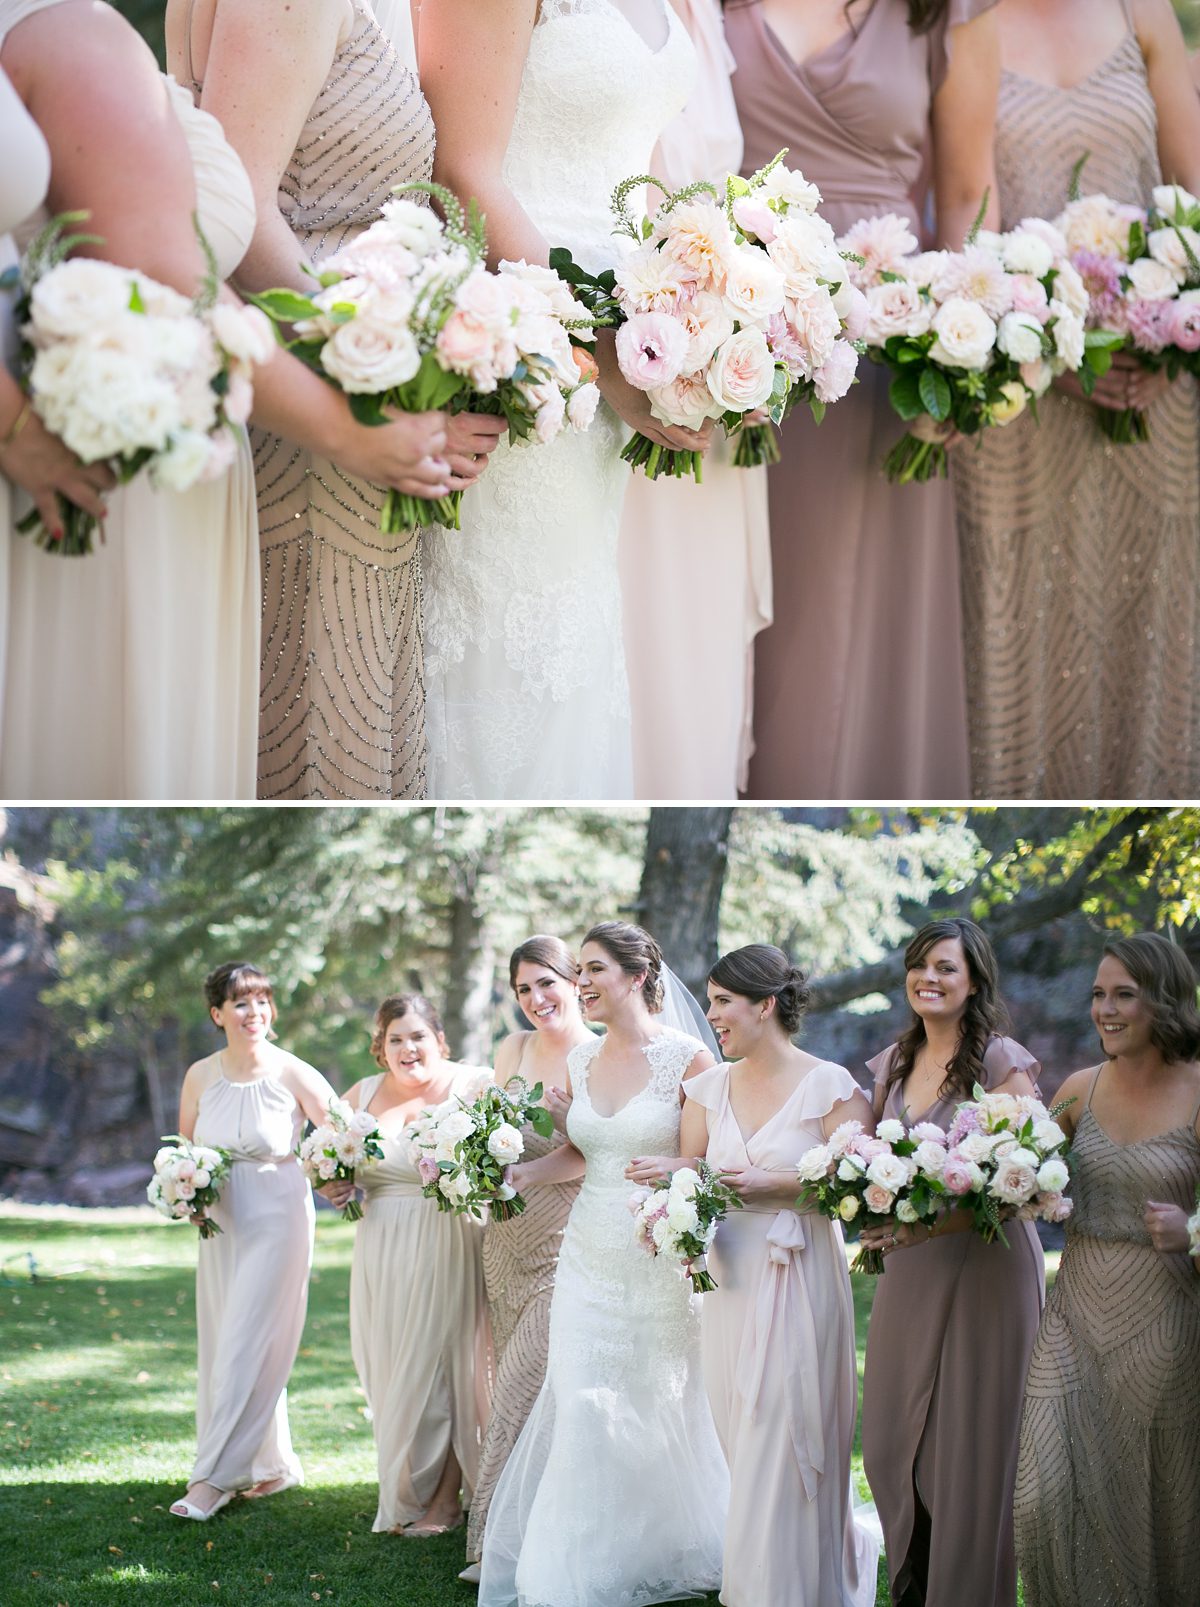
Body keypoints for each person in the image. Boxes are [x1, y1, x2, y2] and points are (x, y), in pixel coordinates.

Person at [168, 0, 506, 801]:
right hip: (316, 442)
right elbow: (232, 216)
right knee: (323, 744)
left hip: (359, 435)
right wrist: (374, 382)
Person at [417, 0, 710, 799]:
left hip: (612, 358)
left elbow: (628, 175)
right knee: (504, 659)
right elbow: (463, 171)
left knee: (573, 644)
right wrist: (599, 350)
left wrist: (693, 334)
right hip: (519, 345)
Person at [726, 0, 999, 798]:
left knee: (841, 644)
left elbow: (969, 197)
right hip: (727, 347)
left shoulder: (949, 9)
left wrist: (961, 350)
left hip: (881, 364)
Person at [952, 0, 1200, 796]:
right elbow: (965, 216)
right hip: (1020, 399)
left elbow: (1196, 202)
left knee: (1151, 642)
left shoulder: (1144, 13)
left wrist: (1177, 333)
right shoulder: (962, 22)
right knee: (1016, 640)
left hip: (1154, 400)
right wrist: (1054, 355)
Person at [478, 920, 728, 1606]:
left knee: (655, 1393)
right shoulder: (581, 1064)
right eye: (579, 971)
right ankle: (578, 1564)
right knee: (582, 1396)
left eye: (592, 970)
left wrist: (679, 1165)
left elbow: (709, 1163)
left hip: (654, 1251)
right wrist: (529, 1172)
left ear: (637, 974)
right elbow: (589, 1152)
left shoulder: (689, 1061)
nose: (581, 983)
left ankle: (663, 1539)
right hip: (586, 1250)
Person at [680, 944, 880, 1606]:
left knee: (786, 1432)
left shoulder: (831, 1086)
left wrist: (777, 1184)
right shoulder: (707, 1090)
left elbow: (859, 1189)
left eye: (723, 1002)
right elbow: (688, 1178)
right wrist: (676, 1210)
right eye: (709, 1002)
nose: (711, 1016)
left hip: (799, 1273)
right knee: (741, 1432)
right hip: (731, 1278)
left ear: (766, 1004)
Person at [859, 917, 1044, 1607]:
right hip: (910, 1269)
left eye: (945, 967)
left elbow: (1035, 1178)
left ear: (974, 983)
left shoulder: (1001, 1062)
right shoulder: (894, 1063)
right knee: (884, 1441)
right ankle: (914, 1579)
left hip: (986, 1269)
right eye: (920, 965)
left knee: (968, 1449)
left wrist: (938, 1221)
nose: (928, 978)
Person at [1015, 932, 1200, 1607]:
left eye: (1125, 993)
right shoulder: (1077, 1089)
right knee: (1041, 1492)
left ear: (1166, 1000)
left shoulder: (1198, 1089)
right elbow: (1003, 1164)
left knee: (1152, 1494)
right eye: (1099, 994)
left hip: (1164, 1318)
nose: (1106, 1009)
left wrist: (1194, 1231)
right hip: (1073, 1316)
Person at [617, 0, 772, 798]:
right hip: (616, 372)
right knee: (632, 649)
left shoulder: (705, 13)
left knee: (697, 667)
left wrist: (762, 319)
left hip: (713, 393)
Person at [171, 961, 338, 1521]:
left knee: (247, 1340)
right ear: (217, 1014)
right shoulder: (200, 1075)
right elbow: (184, 1148)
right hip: (220, 1225)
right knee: (224, 1342)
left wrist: (333, 1174)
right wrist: (185, 1194)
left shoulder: (295, 1073)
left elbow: (343, 1138)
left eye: (262, 1001)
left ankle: (213, 1478)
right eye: (240, 1003)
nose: (254, 1013)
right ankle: (272, 1464)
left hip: (277, 1217)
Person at [330, 993, 492, 1535]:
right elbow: (334, 1162)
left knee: (442, 1368)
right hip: (380, 1248)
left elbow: (501, 1161)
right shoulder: (361, 1094)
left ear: (440, 1041)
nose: (408, 1048)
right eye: (395, 1038)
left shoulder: (472, 1085)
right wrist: (336, 1184)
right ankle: (410, 1488)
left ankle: (447, 1500)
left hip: (447, 1238)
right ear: (381, 1047)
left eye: (418, 1036)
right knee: (390, 1368)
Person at [458, 937, 592, 1583]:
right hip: (503, 1240)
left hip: (563, 1242)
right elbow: (484, 1124)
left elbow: (595, 1153)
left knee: (521, 1387)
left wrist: (523, 1173)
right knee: (518, 1384)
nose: (536, 999)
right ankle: (533, 1523)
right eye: (523, 988)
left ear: (573, 980)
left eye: (547, 983)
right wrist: (470, 1162)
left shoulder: (596, 1055)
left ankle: (490, 1544)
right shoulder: (510, 1049)